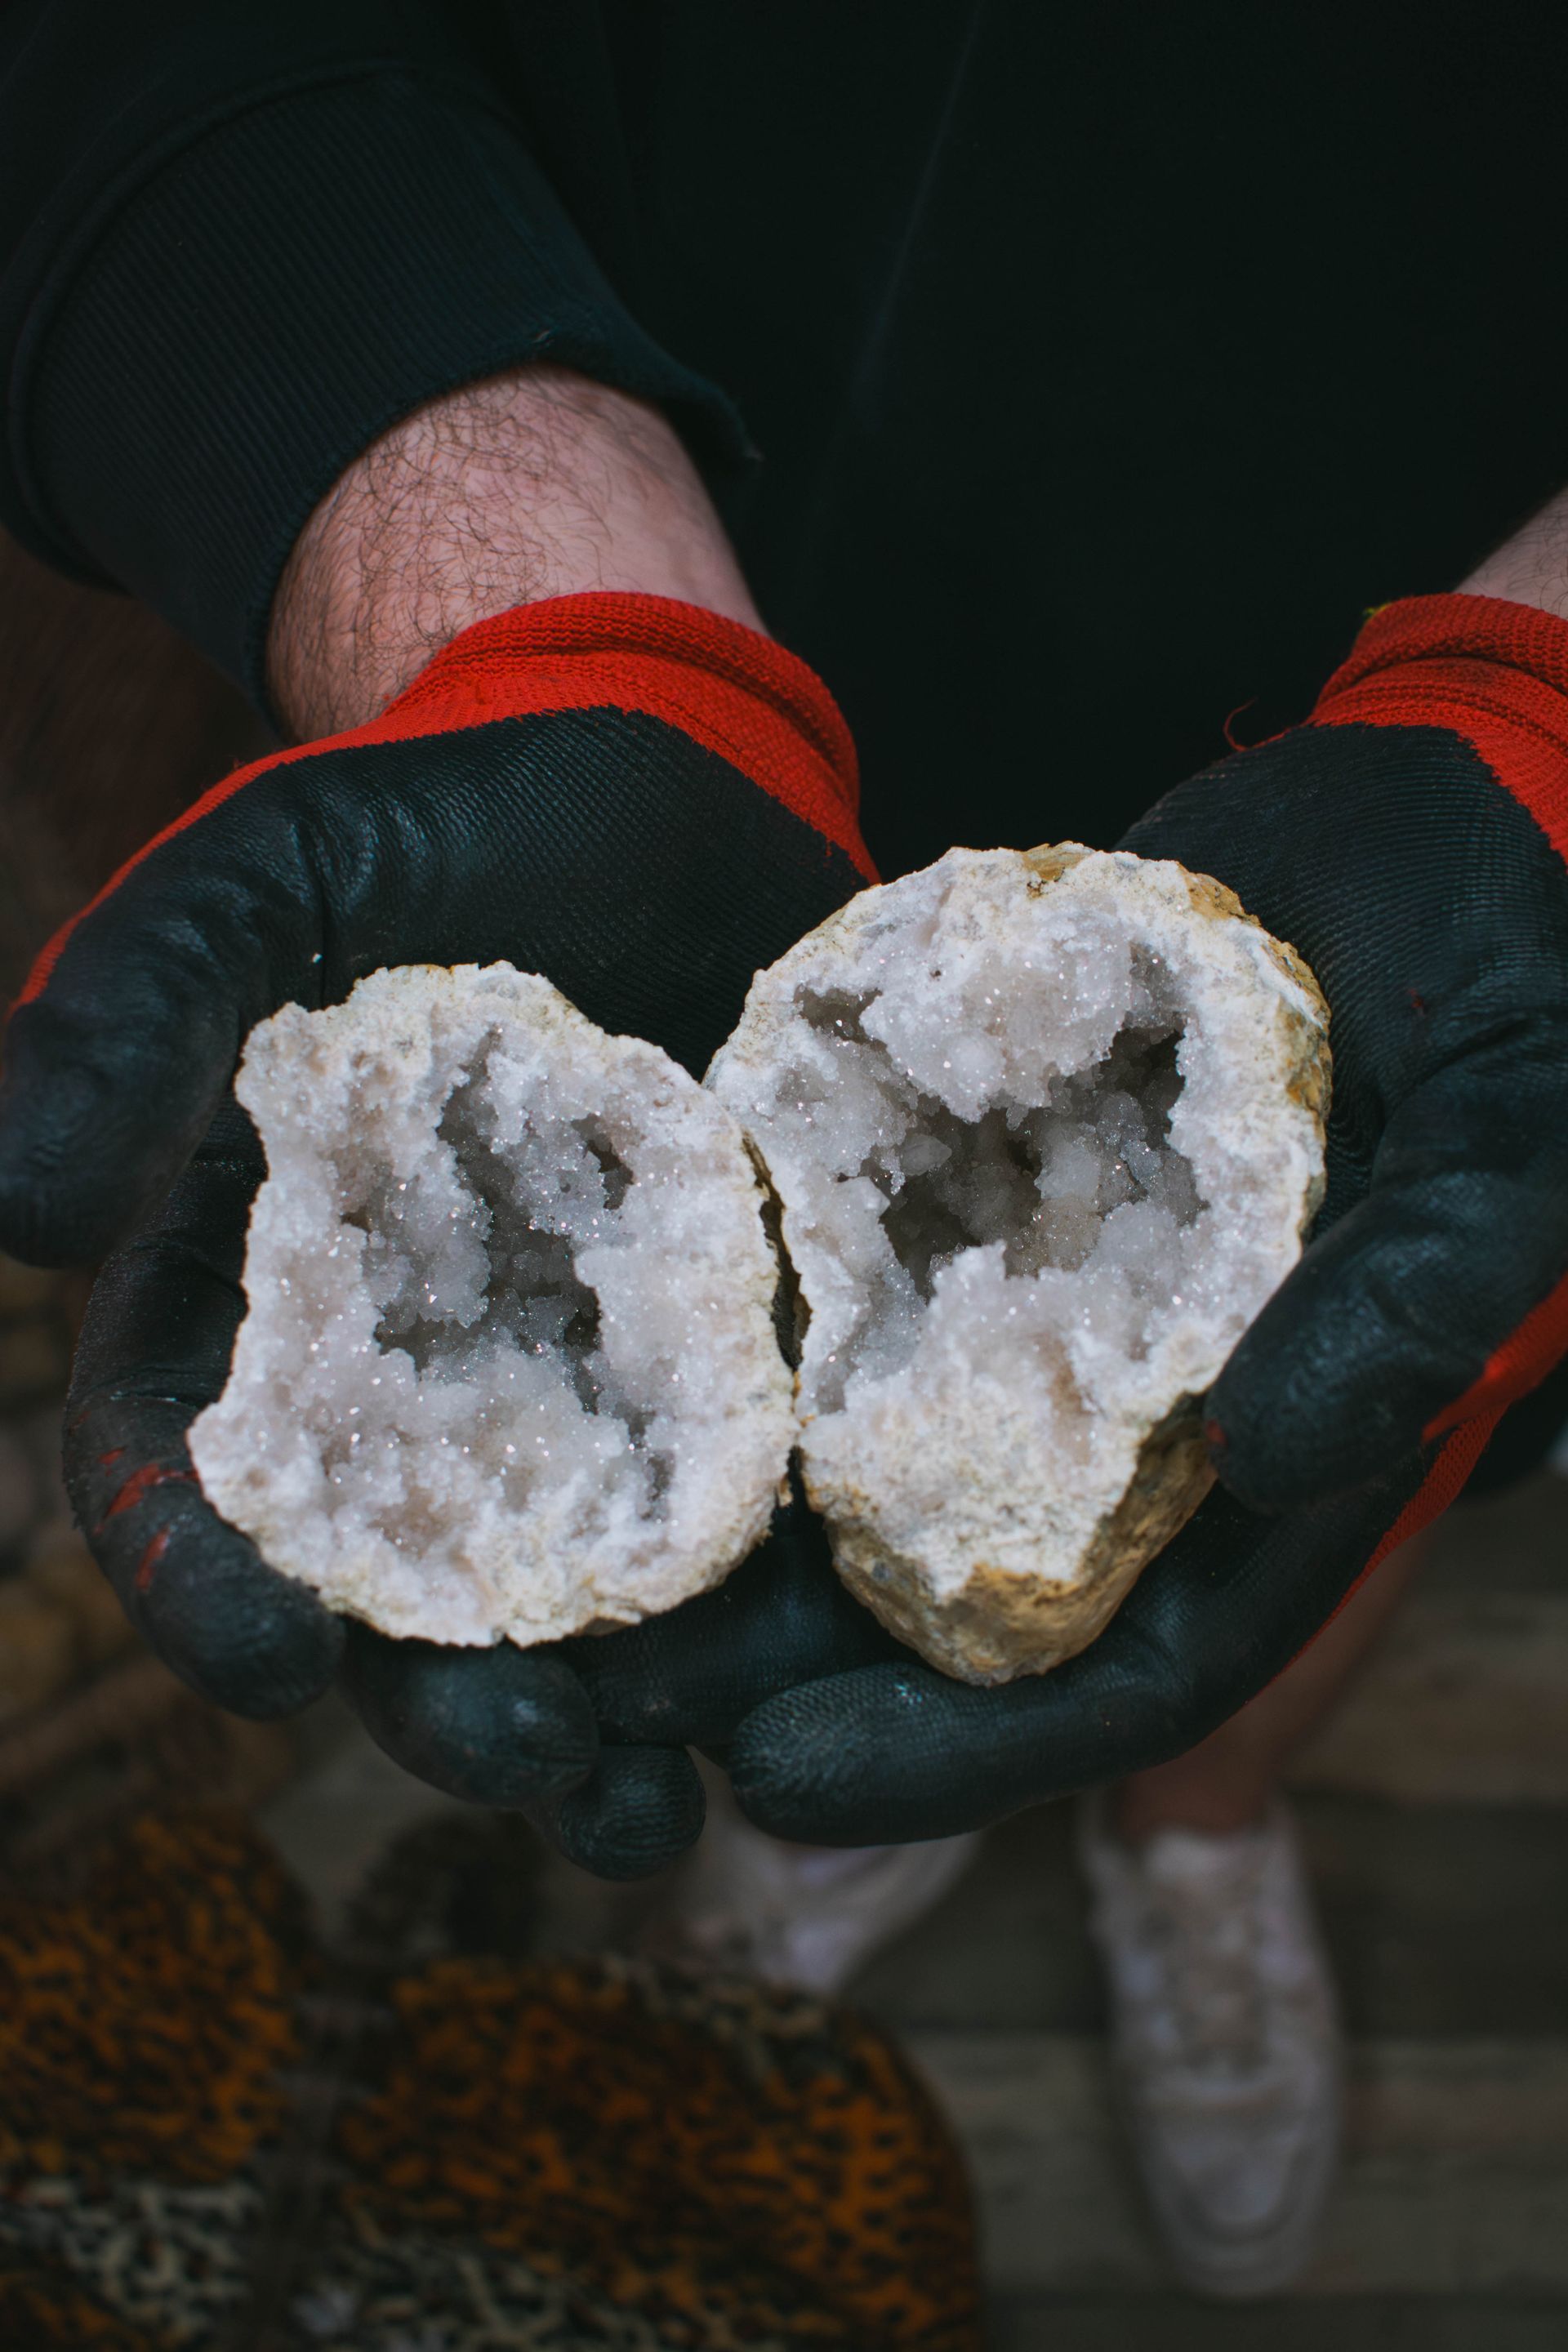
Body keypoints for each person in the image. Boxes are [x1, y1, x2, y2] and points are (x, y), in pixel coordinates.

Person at [4, 0, 1568, 2300]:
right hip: (720, 376)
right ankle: (920, 1827)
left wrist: (1544, 717)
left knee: (1378, 1405)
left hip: (1453, 680)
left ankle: (1205, 1829)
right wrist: (529, 594)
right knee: (970, 1641)